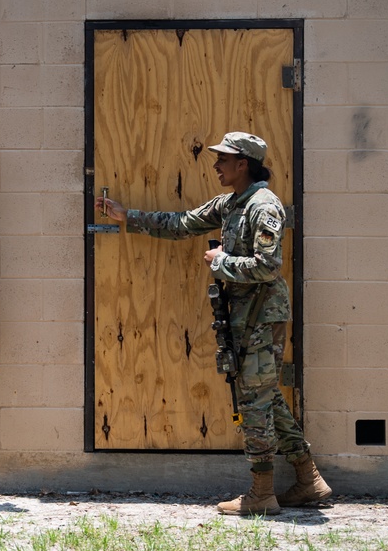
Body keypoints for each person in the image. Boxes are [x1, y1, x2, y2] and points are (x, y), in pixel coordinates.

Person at [96, 131, 332, 516]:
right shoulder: (232, 203)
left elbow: (269, 267)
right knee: (265, 396)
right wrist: (128, 217)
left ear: (243, 165)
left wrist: (219, 261)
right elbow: (184, 223)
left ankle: (262, 493)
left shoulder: (263, 206)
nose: (216, 164)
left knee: (253, 402)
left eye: (223, 159)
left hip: (259, 317)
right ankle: (308, 478)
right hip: (244, 317)